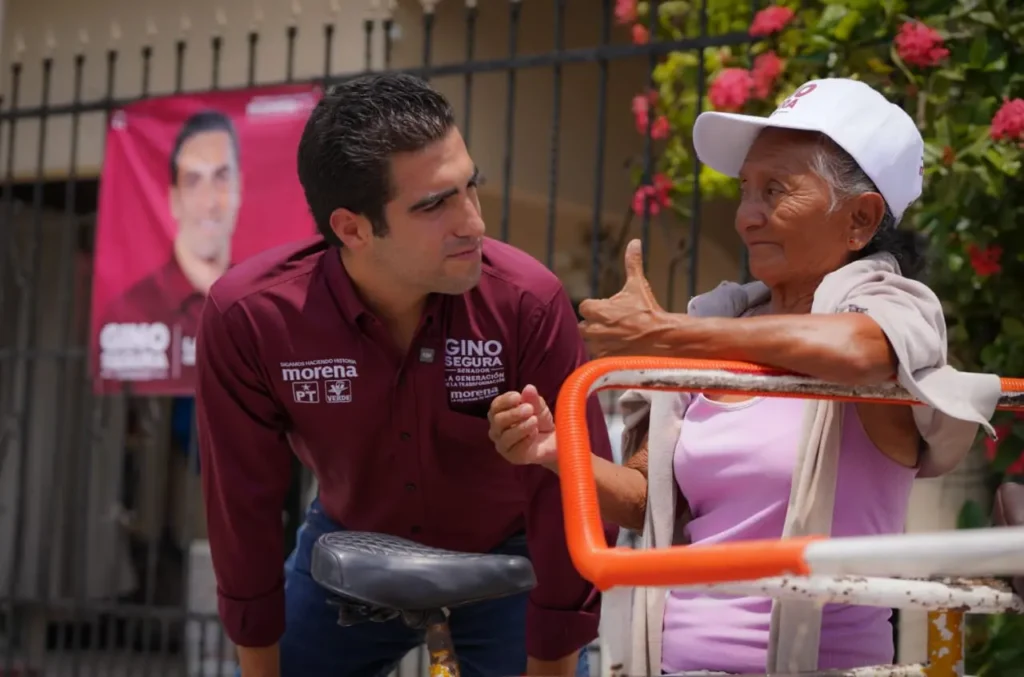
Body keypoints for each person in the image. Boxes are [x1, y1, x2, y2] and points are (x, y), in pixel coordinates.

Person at [487, 78, 1002, 674]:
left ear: (860, 219)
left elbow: (866, 352)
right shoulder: (724, 321)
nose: (746, 216)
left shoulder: (894, 317)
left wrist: (669, 335)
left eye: (775, 190)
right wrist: (555, 451)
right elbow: (649, 503)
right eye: (745, 190)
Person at [194, 73, 616, 677]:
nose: (473, 223)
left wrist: (553, 656)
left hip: (512, 557)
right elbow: (242, 505)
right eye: (434, 205)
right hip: (347, 548)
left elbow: (567, 496)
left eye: (471, 188)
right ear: (351, 228)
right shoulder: (252, 318)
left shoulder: (528, 302)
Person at [98, 109, 241, 384]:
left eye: (222, 177)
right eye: (193, 181)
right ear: (174, 199)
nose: (210, 202)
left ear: (240, 187)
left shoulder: (258, 303)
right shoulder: (127, 311)